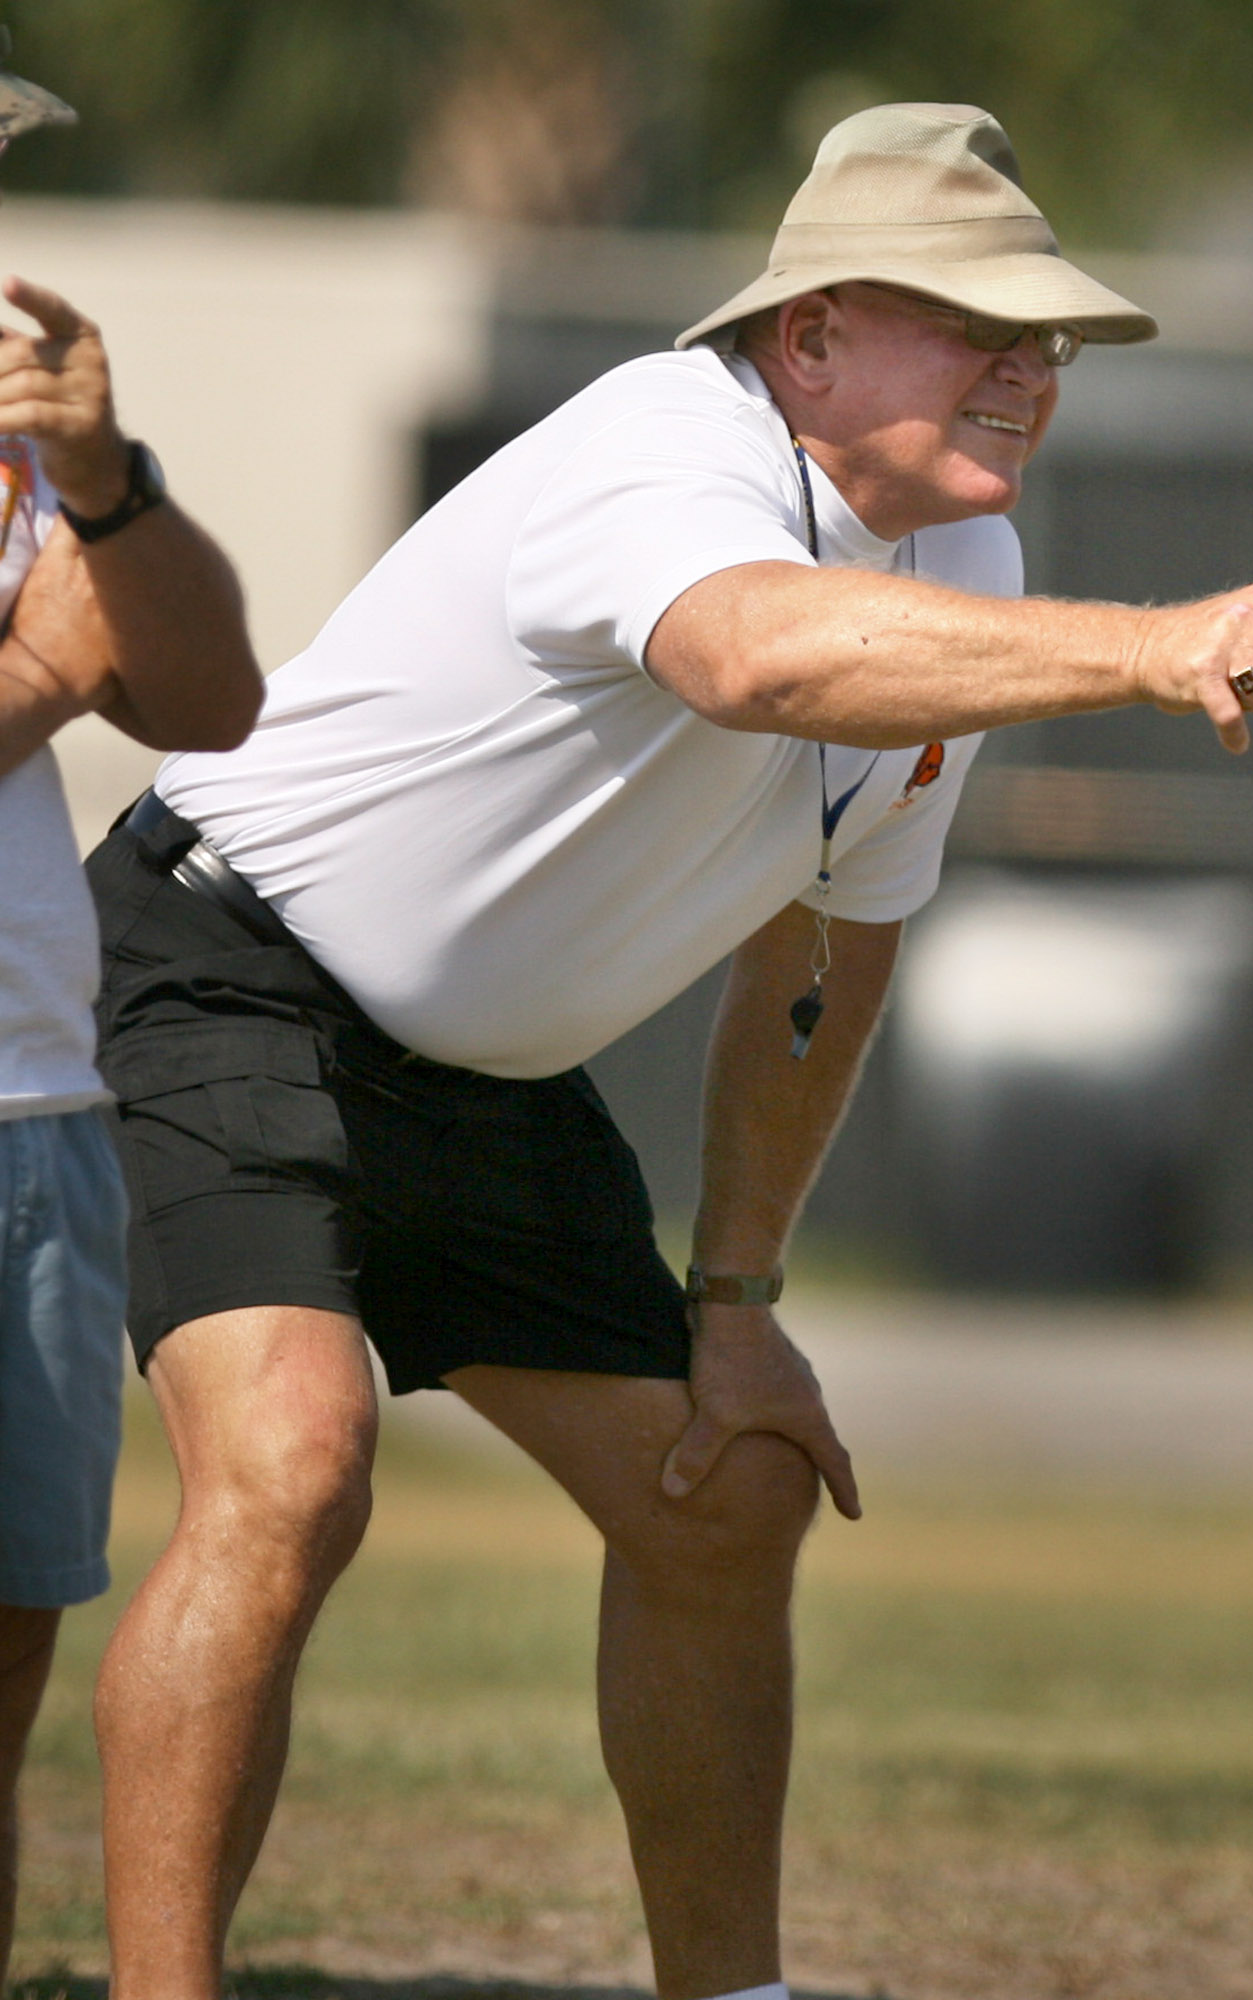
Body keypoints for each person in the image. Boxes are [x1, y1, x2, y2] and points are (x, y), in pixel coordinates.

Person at [84, 102, 1253, 2000]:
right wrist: (1157, 647)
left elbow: (825, 953)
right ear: (809, 334)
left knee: (727, 1478)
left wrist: (741, 1290)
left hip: (479, 1081)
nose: (1029, 366)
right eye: (976, 319)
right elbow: (751, 658)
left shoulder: (964, 584)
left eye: (1050, 338)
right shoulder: (663, 443)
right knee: (294, 1461)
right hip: (226, 977)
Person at [0, 41, 263, 1988]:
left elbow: (198, 687)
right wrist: (37, 666)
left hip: (27, 1122)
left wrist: (105, 487)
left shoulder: (28, 445)